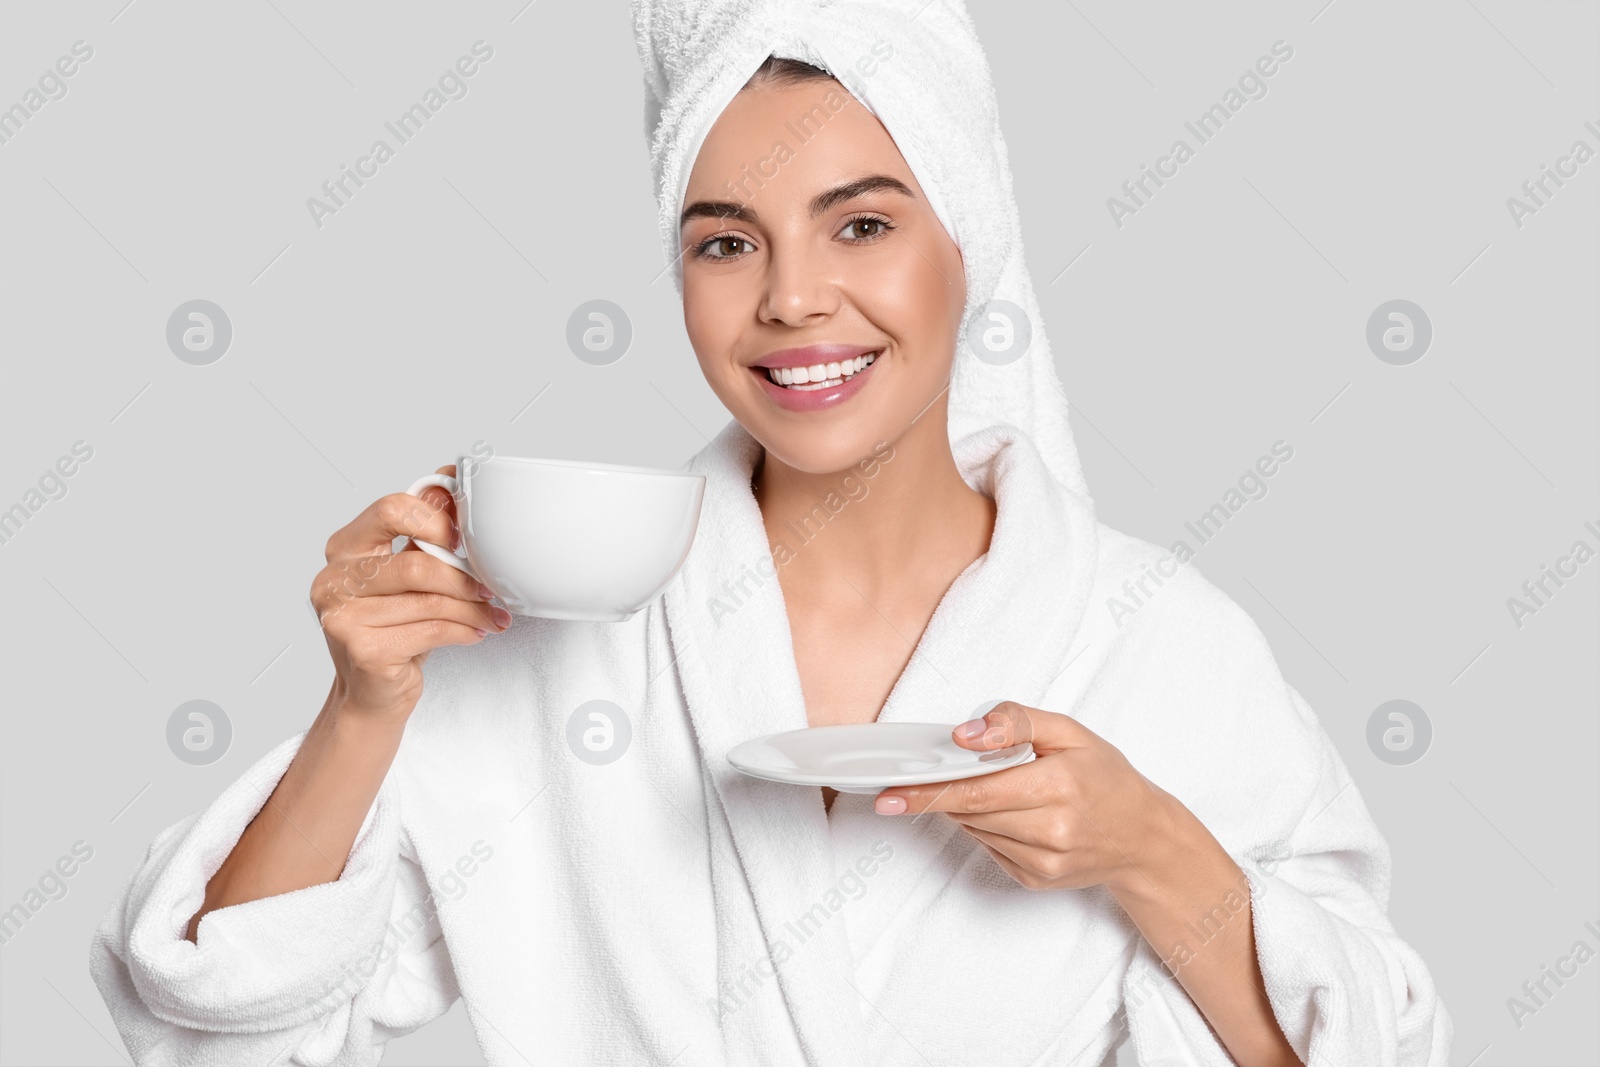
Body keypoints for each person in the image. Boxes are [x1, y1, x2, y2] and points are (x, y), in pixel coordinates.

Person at [91, 2, 1453, 1064]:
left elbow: (1373, 1053)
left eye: (860, 223)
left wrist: (1149, 850)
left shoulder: (1159, 649)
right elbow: (209, 1022)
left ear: (966, 240)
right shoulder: (565, 648)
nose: (796, 299)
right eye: (725, 242)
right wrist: (362, 707)